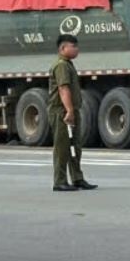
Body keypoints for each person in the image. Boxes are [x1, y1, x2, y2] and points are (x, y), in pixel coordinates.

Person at [48, 34, 96, 192]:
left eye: (76, 46)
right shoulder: (61, 65)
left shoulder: (68, 64)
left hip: (71, 110)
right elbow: (63, 89)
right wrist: (69, 110)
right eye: (73, 46)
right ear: (62, 48)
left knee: (75, 146)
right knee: (62, 147)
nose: (76, 49)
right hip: (61, 111)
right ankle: (59, 181)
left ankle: (77, 178)